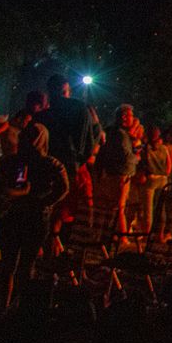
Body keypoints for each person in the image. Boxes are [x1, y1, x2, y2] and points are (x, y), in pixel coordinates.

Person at [0, 122, 69, 314]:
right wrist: (46, 202)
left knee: (9, 264)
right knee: (26, 264)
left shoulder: (11, 161)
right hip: (35, 218)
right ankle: (18, 309)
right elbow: (64, 187)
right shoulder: (51, 163)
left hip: (12, 216)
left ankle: (4, 305)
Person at [36, 74, 98, 230]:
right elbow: (87, 144)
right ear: (67, 90)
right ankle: (57, 245)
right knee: (63, 210)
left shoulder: (44, 115)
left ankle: (47, 244)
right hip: (69, 167)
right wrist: (77, 162)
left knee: (47, 208)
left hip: (46, 168)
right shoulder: (79, 109)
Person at [94, 105, 141, 241]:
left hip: (112, 173)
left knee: (114, 206)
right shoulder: (121, 134)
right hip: (121, 174)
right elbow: (126, 155)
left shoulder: (111, 131)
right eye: (131, 115)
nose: (133, 118)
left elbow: (102, 153)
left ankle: (112, 234)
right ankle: (122, 237)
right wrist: (137, 158)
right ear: (124, 117)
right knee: (119, 207)